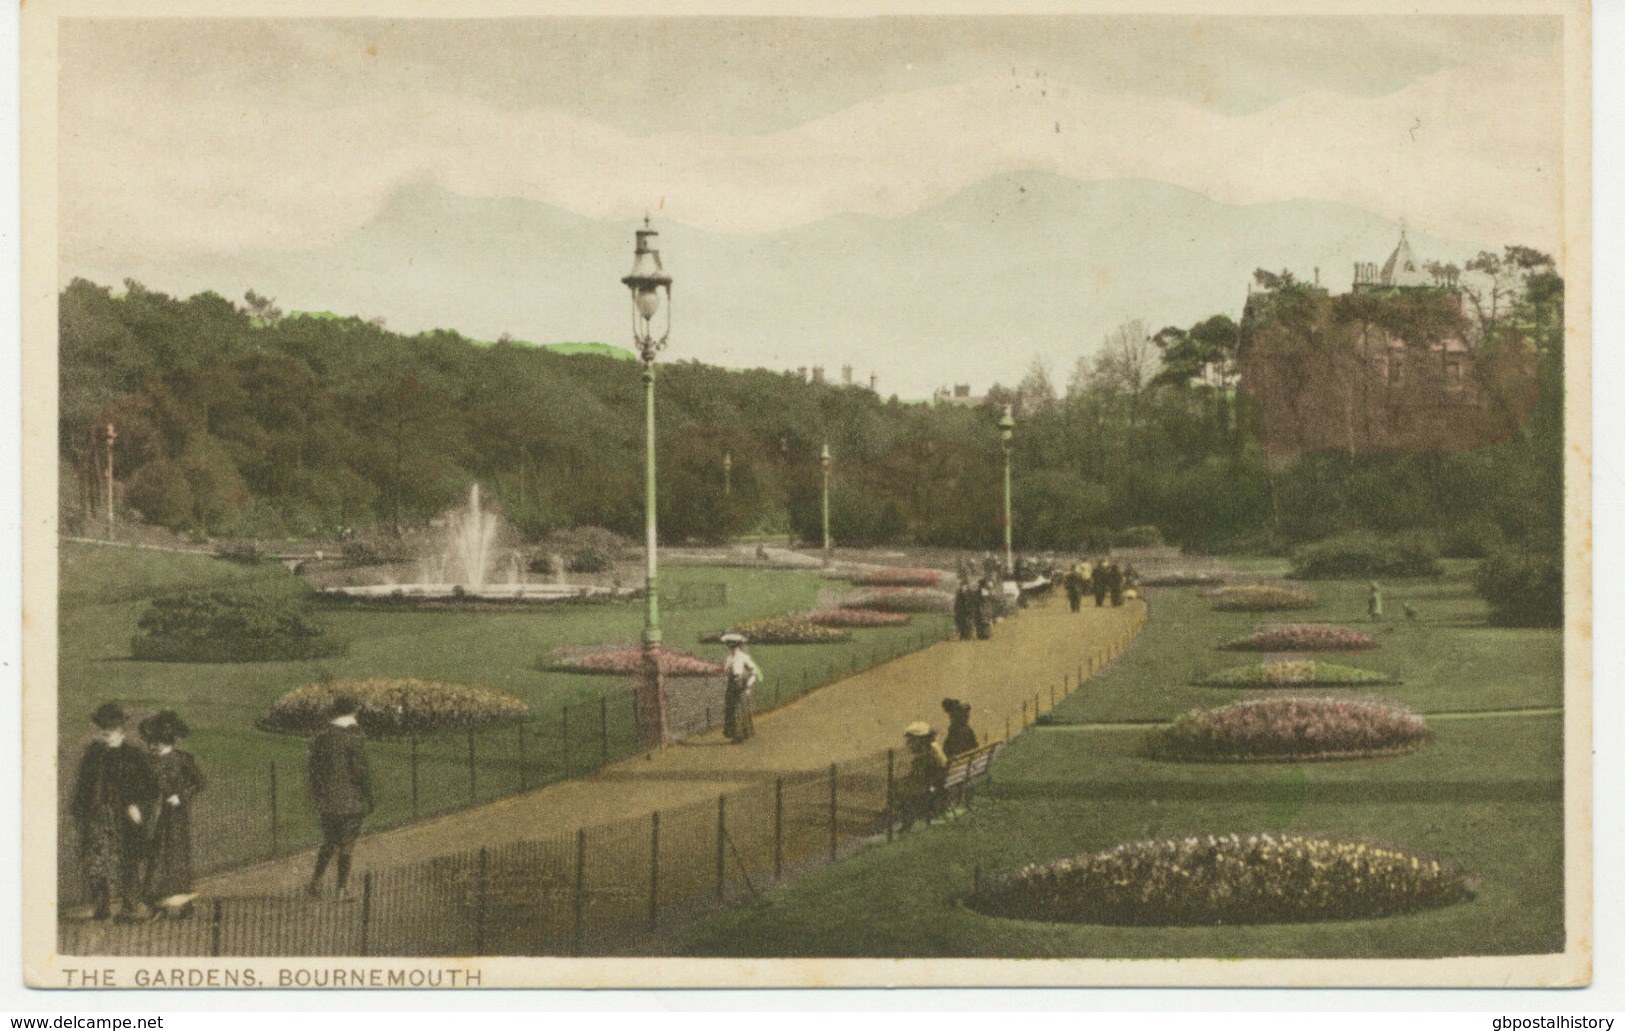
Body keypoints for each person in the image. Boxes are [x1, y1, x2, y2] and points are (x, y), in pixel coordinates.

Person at [70, 702, 157, 921]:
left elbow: (150, 787)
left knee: (128, 861)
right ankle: (102, 907)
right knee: (97, 863)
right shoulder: (93, 754)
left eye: (112, 728)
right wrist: (80, 811)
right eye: (103, 728)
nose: (107, 732)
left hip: (124, 817)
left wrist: (135, 805)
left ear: (121, 729)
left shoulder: (133, 755)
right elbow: (84, 786)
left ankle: (130, 907)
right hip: (98, 817)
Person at [137, 710, 204, 918]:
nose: (153, 746)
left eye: (157, 742)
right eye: (151, 742)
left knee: (176, 860)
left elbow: (199, 783)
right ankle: (157, 905)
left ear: (168, 741)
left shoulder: (182, 760)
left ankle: (183, 905)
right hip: (154, 818)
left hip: (175, 819)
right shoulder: (147, 762)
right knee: (155, 859)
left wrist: (180, 797)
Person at [306, 695, 373, 900]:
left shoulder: (321, 738)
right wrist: (368, 796)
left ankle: (315, 882)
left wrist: (318, 794)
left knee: (329, 841)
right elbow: (359, 771)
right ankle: (341, 889)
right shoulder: (351, 739)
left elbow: (313, 771)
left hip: (327, 801)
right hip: (349, 801)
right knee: (346, 846)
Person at [890, 722, 949, 830]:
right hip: (937, 782)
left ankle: (906, 821)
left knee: (900, 790)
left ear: (920, 739)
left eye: (912, 739)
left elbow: (918, 775)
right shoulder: (933, 746)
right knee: (900, 786)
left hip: (931, 785)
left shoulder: (927, 752)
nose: (909, 743)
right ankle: (904, 815)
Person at [721, 633, 761, 743]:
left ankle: (740, 735)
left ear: (736, 645)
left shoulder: (744, 657)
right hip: (731, 685)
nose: (729, 647)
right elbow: (726, 671)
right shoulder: (729, 657)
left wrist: (748, 685)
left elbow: (755, 672)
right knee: (731, 709)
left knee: (739, 710)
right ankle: (734, 734)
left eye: (731, 645)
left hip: (740, 685)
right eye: (728, 645)